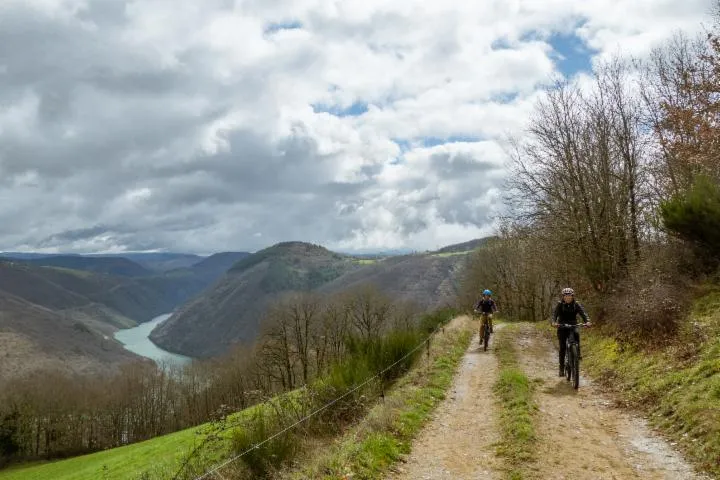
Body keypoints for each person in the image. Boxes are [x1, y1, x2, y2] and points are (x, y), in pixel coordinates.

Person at [551, 287, 591, 377]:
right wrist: (553, 322)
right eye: (566, 296)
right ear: (563, 297)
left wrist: (587, 321)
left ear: (572, 297)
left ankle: (577, 354)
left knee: (576, 335)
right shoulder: (560, 304)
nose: (568, 298)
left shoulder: (576, 304)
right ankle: (561, 368)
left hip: (573, 325)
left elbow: (583, 313)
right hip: (562, 326)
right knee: (562, 347)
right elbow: (554, 314)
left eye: (569, 296)